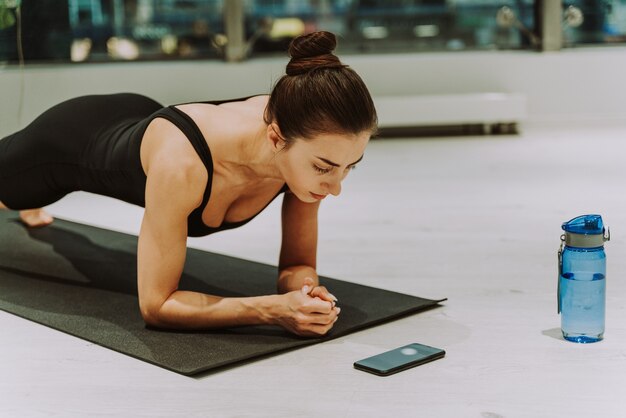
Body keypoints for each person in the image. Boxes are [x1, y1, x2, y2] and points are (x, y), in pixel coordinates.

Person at [0, 31, 378, 337]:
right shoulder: (183, 165)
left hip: (140, 117)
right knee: (15, 191)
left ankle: (27, 203)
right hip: (70, 139)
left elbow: (296, 263)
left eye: (350, 167)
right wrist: (270, 310)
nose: (336, 186)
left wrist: (305, 292)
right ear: (277, 138)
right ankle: (23, 199)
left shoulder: (308, 137)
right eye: (325, 168)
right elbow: (157, 306)